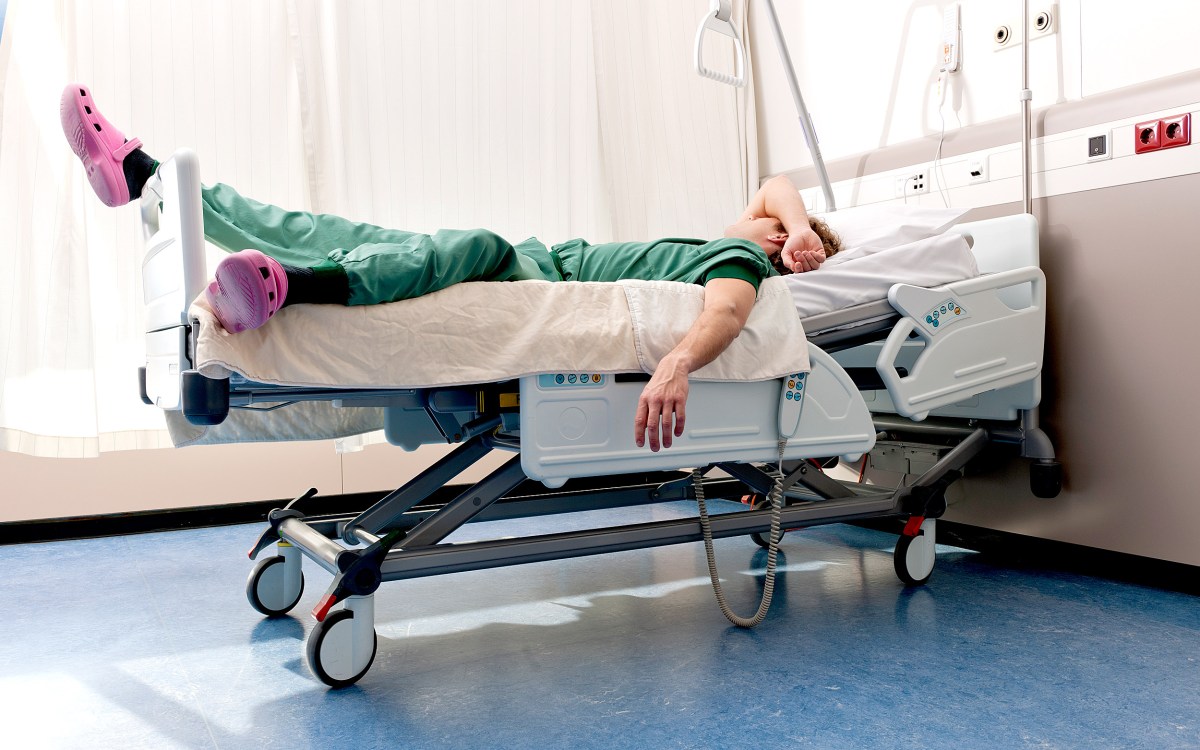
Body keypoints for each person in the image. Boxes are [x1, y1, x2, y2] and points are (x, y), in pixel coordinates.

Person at [61, 83, 840, 452]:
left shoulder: (740, 262)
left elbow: (728, 316)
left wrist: (676, 365)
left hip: (537, 274)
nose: (765, 221)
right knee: (332, 230)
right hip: (545, 259)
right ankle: (145, 175)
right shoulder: (745, 232)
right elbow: (775, 185)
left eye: (775, 230)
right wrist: (801, 221)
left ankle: (291, 286)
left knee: (466, 243)